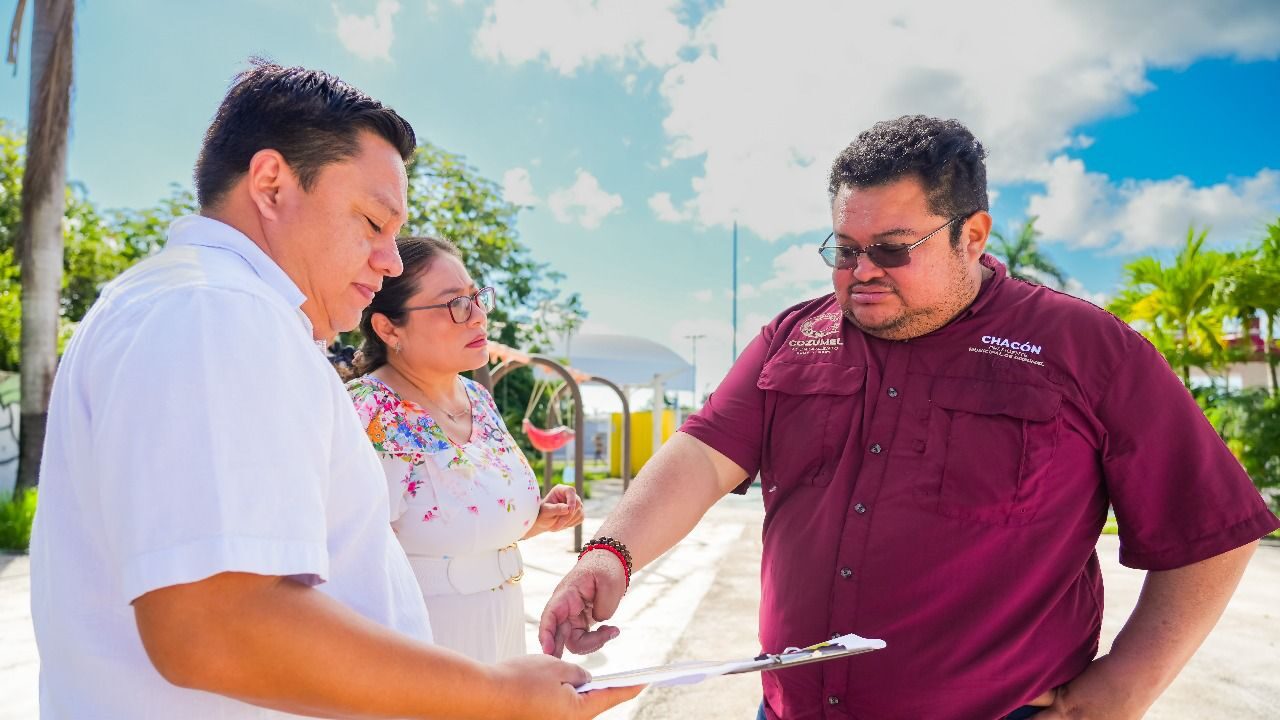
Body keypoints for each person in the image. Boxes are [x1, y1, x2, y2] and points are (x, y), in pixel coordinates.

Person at [539, 115, 1280, 720]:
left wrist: (1124, 688)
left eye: (892, 250)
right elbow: (702, 456)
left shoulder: (1086, 348)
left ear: (974, 234)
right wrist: (611, 552)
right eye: (845, 248)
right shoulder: (797, 333)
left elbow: (1210, 532)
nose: (861, 273)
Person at [29, 60, 638, 719]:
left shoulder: (198, 305)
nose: (392, 260)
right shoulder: (216, 311)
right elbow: (215, 625)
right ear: (271, 185)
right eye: (373, 223)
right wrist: (493, 696)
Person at [347, 236, 584, 662]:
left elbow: (457, 520)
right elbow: (352, 554)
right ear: (388, 327)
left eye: (477, 298)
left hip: (502, 635)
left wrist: (532, 517)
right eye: (455, 303)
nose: (478, 317)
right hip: (420, 648)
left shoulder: (477, 397)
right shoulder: (369, 410)